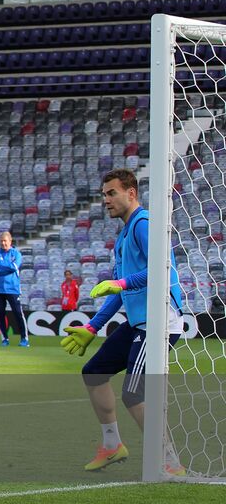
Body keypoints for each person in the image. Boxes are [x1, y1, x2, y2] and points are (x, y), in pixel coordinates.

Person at [61, 168, 185, 475]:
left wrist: (123, 284)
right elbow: (120, 291)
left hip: (159, 322)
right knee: (94, 372)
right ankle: (112, 445)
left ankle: (169, 460)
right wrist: (92, 327)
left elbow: (162, 270)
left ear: (131, 193)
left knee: (134, 393)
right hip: (139, 321)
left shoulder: (143, 224)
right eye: (103, 194)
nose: (106, 200)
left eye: (112, 193)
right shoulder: (125, 234)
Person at [0, 231, 28, 347]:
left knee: (18, 313)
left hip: (13, 288)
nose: (3, 243)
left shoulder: (16, 254)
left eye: (5, 241)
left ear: (10, 241)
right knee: (0, 314)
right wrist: (8, 268)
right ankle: (4, 338)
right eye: (1, 241)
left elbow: (15, 267)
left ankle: (24, 338)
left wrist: (2, 268)